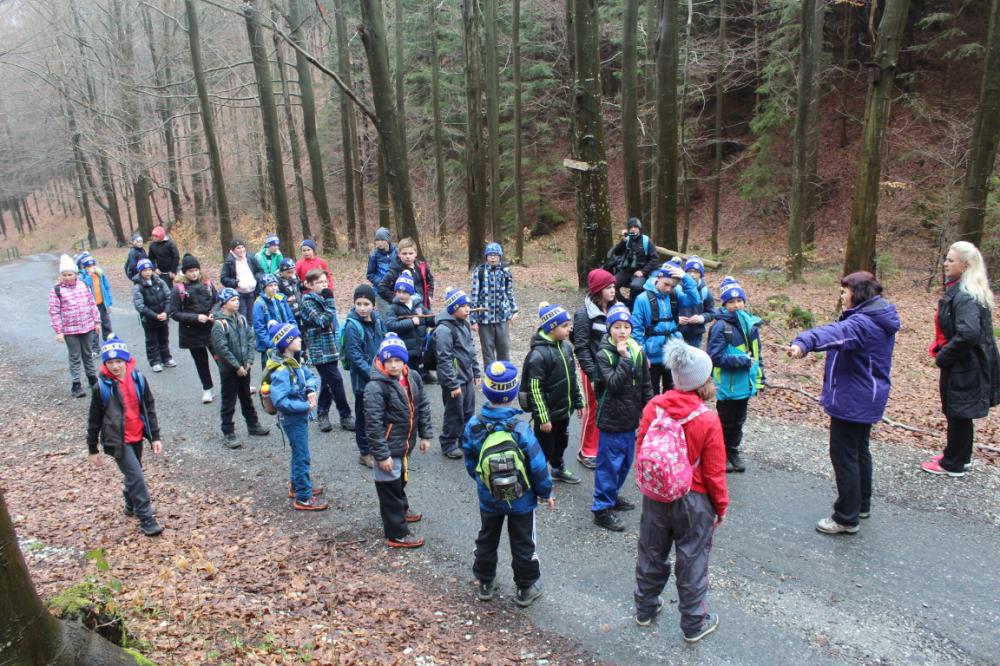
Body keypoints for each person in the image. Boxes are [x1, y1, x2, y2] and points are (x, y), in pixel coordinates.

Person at [788, 271, 899, 534]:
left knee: (844, 454)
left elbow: (835, 333)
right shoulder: (875, 315)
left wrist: (804, 342)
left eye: (844, 291)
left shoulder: (863, 323)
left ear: (857, 293)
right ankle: (861, 505)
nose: (841, 295)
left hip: (854, 399)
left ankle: (846, 517)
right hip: (867, 395)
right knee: (859, 451)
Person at [633, 340, 727, 641]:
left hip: (656, 495)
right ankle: (693, 624)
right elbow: (714, 472)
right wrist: (720, 507)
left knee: (651, 552)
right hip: (694, 501)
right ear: (701, 381)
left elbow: (641, 447)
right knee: (692, 559)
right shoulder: (708, 418)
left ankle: (645, 609)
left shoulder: (654, 406)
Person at [462, 360, 554, 607]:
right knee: (523, 541)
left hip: (489, 497)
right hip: (522, 500)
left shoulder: (475, 424)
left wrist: (483, 482)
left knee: (487, 537)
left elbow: (470, 460)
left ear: (486, 390)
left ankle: (485, 582)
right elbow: (537, 465)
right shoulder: (520, 428)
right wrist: (545, 492)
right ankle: (526, 587)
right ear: (513, 394)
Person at [921, 241, 1000, 477]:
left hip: (966, 364)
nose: (945, 263)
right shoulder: (964, 290)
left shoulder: (965, 295)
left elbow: (969, 333)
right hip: (968, 362)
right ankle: (959, 456)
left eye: (950, 260)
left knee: (958, 411)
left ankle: (953, 463)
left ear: (965, 265)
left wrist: (944, 356)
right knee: (959, 412)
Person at [87, 334, 164, 537]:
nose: (115, 366)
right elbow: (94, 420)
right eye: (110, 362)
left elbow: (149, 407)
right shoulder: (101, 388)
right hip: (117, 440)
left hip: (137, 434)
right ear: (105, 363)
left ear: (126, 360)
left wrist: (155, 436)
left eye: (118, 361)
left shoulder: (138, 379)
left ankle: (130, 504)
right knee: (137, 477)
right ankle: (146, 519)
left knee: (133, 474)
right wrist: (92, 449)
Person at [365, 333, 433, 548]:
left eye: (398, 360)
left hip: (404, 444)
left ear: (404, 361)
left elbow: (422, 406)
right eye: (389, 361)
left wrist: (425, 434)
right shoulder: (375, 387)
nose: (393, 365)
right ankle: (397, 534)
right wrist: (381, 454)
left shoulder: (412, 376)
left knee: (400, 480)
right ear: (382, 360)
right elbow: (373, 425)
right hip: (387, 448)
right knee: (389, 489)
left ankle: (401, 509)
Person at [592, 303, 653, 532]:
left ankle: (612, 496)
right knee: (609, 465)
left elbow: (646, 383)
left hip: (631, 418)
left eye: (626, 327)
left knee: (625, 462)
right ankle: (601, 509)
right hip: (612, 418)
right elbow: (614, 385)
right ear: (609, 329)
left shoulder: (637, 350)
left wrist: (650, 410)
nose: (622, 331)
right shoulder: (604, 354)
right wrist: (624, 358)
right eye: (617, 327)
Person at [264, 320, 328, 511]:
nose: (300, 340)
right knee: (302, 456)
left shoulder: (295, 360)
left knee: (298, 453)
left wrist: (310, 389)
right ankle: (303, 497)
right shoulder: (281, 370)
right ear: (286, 342)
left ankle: (296, 485)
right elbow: (280, 401)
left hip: (298, 416)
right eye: (295, 337)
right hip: (292, 419)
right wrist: (305, 406)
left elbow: (309, 376)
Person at [707, 277, 764, 473]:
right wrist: (742, 361)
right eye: (731, 302)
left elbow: (757, 355)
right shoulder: (721, 327)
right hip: (727, 385)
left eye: (739, 300)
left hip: (745, 384)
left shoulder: (751, 326)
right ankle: (720, 453)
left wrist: (760, 379)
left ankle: (732, 451)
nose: (736, 305)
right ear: (724, 304)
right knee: (725, 422)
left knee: (739, 422)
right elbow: (714, 357)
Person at [523, 302, 584, 484]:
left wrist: (578, 400)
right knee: (543, 448)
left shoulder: (566, 348)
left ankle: (557, 468)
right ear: (551, 328)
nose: (569, 328)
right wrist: (543, 417)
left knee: (561, 443)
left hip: (563, 410)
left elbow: (572, 376)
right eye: (564, 326)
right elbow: (535, 389)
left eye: (569, 324)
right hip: (547, 416)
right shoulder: (538, 355)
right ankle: (538, 478)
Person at [212, 288, 270, 449]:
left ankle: (253, 424)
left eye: (237, 299)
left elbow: (250, 339)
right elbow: (222, 349)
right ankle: (228, 432)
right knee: (229, 401)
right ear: (223, 304)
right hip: (230, 371)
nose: (237, 302)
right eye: (233, 300)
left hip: (245, 367)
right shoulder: (219, 324)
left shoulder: (242, 319)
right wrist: (237, 367)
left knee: (246, 397)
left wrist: (249, 361)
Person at [299, 269, 355, 433]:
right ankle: (345, 415)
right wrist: (330, 302)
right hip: (319, 350)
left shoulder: (324, 299)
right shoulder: (307, 302)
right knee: (336, 380)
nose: (324, 285)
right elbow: (322, 321)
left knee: (327, 382)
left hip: (330, 347)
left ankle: (322, 413)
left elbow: (333, 323)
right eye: (319, 282)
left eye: (325, 281)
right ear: (310, 285)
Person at [572, 268, 617, 470]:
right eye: (608, 287)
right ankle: (586, 451)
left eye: (614, 286)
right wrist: (592, 375)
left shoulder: (615, 310)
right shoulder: (584, 314)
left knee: (608, 408)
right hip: (593, 369)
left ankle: (601, 447)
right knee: (593, 409)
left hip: (612, 368)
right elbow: (581, 347)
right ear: (598, 290)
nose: (613, 290)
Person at [631, 262, 698, 394]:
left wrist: (685, 278)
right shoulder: (642, 299)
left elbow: (694, 299)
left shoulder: (675, 294)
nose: (668, 289)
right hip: (652, 354)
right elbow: (636, 329)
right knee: (652, 391)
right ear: (659, 277)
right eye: (666, 284)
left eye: (673, 286)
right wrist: (642, 355)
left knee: (673, 391)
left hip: (673, 352)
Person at [343, 284, 387, 467]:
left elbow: (385, 343)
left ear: (373, 305)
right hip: (363, 381)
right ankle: (365, 452)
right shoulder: (352, 326)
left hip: (381, 377)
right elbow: (356, 356)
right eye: (358, 304)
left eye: (366, 304)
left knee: (379, 414)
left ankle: (379, 446)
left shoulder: (378, 320)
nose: (362, 308)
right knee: (364, 417)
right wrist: (374, 374)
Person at [435, 287, 481, 459]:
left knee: (468, 411)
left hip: (466, 377)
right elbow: (444, 359)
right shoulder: (444, 330)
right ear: (453, 307)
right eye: (463, 306)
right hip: (454, 380)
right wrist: (453, 384)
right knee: (454, 413)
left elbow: (470, 349)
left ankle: (465, 440)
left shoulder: (465, 324)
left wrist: (476, 371)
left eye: (468, 306)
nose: (468, 309)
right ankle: (448, 444)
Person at [49, 254, 100, 398]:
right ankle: (76, 384)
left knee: (88, 354)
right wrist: (59, 331)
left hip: (87, 326)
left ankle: (92, 378)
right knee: (75, 356)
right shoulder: (57, 290)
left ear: (75, 274)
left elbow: (92, 304)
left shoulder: (83, 285)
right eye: (64, 275)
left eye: (70, 274)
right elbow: (54, 312)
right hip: (70, 330)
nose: (67, 277)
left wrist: (97, 322)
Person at [170, 253, 218, 404]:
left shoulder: (207, 284)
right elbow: (174, 313)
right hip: (192, 332)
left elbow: (217, 301)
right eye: (190, 271)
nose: (194, 273)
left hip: (211, 329)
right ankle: (207, 389)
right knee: (201, 362)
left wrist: (213, 312)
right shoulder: (178, 289)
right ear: (184, 272)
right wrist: (196, 317)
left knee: (222, 358)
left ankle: (236, 384)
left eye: (196, 270)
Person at [470, 242, 519, 366]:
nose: (492, 258)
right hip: (485, 319)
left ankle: (505, 375)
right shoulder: (479, 272)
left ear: (500, 256)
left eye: (495, 255)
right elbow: (474, 296)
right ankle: (490, 376)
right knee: (488, 352)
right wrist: (473, 319)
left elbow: (509, 291)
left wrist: (514, 310)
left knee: (504, 350)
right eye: (490, 255)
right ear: (486, 256)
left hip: (502, 317)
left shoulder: (505, 271)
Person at [132, 258, 175, 373]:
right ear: (140, 271)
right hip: (149, 319)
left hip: (163, 317)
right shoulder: (138, 287)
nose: (148, 272)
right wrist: (155, 316)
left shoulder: (159, 281)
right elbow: (140, 306)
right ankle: (155, 361)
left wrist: (166, 312)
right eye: (145, 270)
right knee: (152, 341)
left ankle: (166, 358)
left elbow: (169, 297)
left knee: (164, 339)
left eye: (149, 269)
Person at [607, 218, 659, 308]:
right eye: (631, 227)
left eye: (635, 227)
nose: (633, 229)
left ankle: (634, 307)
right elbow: (617, 252)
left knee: (636, 286)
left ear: (639, 228)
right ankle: (627, 304)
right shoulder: (627, 240)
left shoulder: (646, 241)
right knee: (610, 284)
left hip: (640, 272)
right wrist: (623, 240)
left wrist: (643, 271)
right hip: (626, 271)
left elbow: (654, 259)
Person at [385, 274, 430, 378]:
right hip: (405, 351)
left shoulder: (418, 305)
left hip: (419, 349)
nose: (401, 295)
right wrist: (411, 322)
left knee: (418, 376)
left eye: (404, 292)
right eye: (398, 292)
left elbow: (429, 319)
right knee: (407, 377)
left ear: (411, 292)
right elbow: (390, 325)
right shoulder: (393, 308)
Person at [377, 237, 435, 310]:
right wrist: (396, 299)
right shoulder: (395, 270)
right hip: (405, 310)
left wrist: (429, 295)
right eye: (404, 253)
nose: (408, 256)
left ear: (416, 253)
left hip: (423, 306)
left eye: (411, 253)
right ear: (399, 254)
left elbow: (430, 280)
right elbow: (382, 287)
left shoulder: (422, 267)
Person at [252, 274, 295, 368]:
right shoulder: (259, 304)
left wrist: (294, 335)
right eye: (270, 285)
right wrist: (271, 344)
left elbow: (291, 318)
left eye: (275, 285)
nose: (274, 288)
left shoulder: (281, 299)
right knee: (272, 371)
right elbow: (259, 328)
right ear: (264, 288)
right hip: (270, 345)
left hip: (286, 340)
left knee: (289, 369)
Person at [76, 252, 114, 353]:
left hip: (102, 304)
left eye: (93, 265)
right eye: (88, 266)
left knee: (106, 324)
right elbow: (84, 285)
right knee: (94, 328)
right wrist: (89, 275)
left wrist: (109, 303)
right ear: (84, 267)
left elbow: (106, 288)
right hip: (90, 307)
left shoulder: (100, 274)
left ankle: (109, 343)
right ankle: (94, 348)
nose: (91, 268)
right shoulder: (82, 276)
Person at [676, 256, 715, 348]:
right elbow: (667, 309)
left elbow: (712, 312)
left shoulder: (704, 291)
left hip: (696, 333)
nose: (692, 274)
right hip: (677, 331)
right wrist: (676, 319)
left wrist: (701, 318)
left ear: (701, 274)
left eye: (696, 272)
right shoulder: (677, 288)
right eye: (689, 271)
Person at [220, 239, 263, 321]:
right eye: (238, 248)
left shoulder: (250, 257)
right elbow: (224, 278)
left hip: (252, 292)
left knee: (252, 315)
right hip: (239, 294)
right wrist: (236, 283)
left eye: (242, 247)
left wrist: (255, 279)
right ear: (233, 250)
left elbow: (260, 271)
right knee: (243, 316)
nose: (241, 250)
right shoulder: (229, 261)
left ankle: (251, 329)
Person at [366, 226, 397, 314]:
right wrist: (381, 282)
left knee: (396, 316)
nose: (380, 243)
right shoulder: (374, 255)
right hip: (380, 292)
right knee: (386, 316)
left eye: (383, 240)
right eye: (377, 240)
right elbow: (370, 274)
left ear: (388, 240)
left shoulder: (397, 252)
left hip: (396, 291)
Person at [276, 258, 303, 323]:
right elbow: (275, 295)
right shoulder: (277, 281)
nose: (291, 274)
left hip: (299, 307)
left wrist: (304, 285)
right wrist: (286, 299)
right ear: (281, 272)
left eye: (292, 272)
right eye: (288, 272)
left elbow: (299, 287)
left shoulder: (295, 276)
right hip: (288, 311)